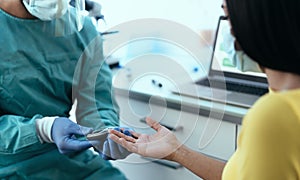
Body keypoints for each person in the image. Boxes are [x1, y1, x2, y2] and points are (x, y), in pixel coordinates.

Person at [109, 0, 300, 179]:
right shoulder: (281, 99)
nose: (228, 30)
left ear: (254, 21)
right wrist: (176, 151)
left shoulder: (274, 114)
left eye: (228, 16)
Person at [0, 0, 130, 179]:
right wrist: (43, 129)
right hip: (7, 165)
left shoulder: (80, 29)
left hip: (69, 160)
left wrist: (105, 132)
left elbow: (96, 99)